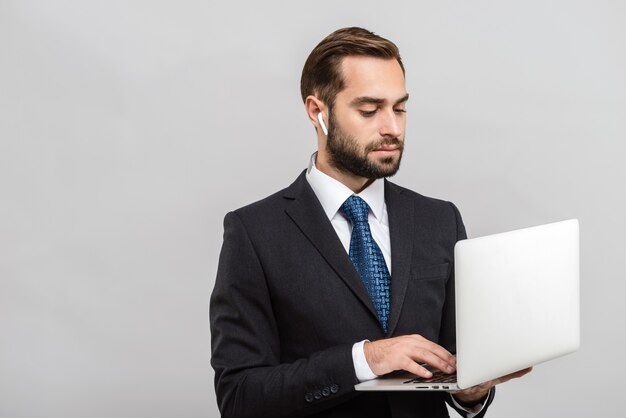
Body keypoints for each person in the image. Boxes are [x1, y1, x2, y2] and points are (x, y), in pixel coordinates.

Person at [210, 27, 530, 418]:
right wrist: (363, 359)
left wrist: (470, 393)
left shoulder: (440, 219)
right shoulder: (255, 233)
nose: (392, 128)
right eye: (369, 110)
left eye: (399, 108)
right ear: (317, 111)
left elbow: (454, 366)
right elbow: (239, 398)